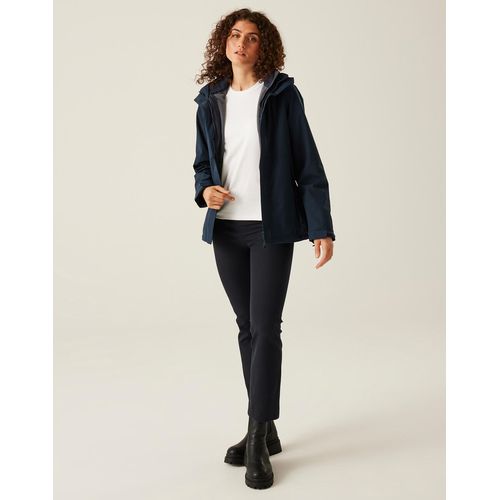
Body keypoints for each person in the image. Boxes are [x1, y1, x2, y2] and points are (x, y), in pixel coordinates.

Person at [192, 8, 336, 489]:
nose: (241, 43)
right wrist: (206, 191)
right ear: (224, 42)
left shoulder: (281, 95)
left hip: (271, 228)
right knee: (247, 328)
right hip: (227, 230)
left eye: (252, 37)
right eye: (235, 35)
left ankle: (256, 437)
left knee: (266, 328)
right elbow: (202, 165)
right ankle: (266, 428)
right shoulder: (209, 100)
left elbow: (307, 162)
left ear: (263, 47)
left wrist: (321, 226)